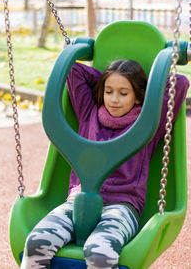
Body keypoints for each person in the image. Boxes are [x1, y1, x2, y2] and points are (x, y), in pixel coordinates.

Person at [21, 60, 189, 269]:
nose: (114, 99)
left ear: (139, 96)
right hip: (78, 202)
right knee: (36, 244)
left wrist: (164, 61)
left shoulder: (148, 124)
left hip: (122, 206)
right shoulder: (88, 112)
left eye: (123, 93)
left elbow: (179, 82)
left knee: (99, 253)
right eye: (108, 91)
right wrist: (108, 76)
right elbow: (73, 69)